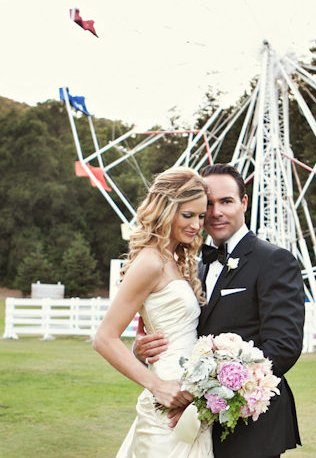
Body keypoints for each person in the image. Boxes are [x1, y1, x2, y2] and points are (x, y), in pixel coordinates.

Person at [134, 163, 305, 458]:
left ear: (244, 203)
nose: (215, 213)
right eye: (207, 205)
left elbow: (283, 347)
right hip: (193, 423)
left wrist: (203, 395)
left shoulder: (274, 260)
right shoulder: (194, 266)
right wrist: (144, 350)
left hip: (250, 425)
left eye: (226, 201)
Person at [93, 167, 213, 458]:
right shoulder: (150, 262)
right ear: (165, 209)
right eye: (188, 215)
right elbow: (104, 338)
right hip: (168, 398)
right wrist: (157, 386)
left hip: (191, 397)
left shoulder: (174, 259)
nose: (197, 225)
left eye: (200, 216)